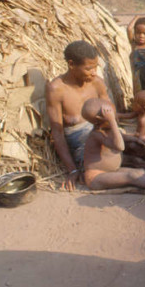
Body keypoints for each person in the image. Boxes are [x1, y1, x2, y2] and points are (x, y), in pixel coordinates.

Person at [46, 40, 110, 191]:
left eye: (95, 67)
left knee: (137, 147)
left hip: (104, 135)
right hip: (84, 147)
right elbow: (58, 132)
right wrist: (72, 169)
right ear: (71, 64)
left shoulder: (96, 83)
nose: (94, 72)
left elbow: (111, 114)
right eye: (89, 68)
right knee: (98, 171)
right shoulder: (56, 89)